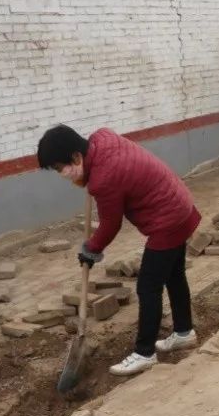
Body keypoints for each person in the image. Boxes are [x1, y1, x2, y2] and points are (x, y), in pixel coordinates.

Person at [37, 125, 202, 376]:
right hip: (178, 204)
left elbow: (111, 225)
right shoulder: (102, 139)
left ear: (76, 157)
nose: (62, 175)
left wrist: (91, 249)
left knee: (148, 286)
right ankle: (184, 332)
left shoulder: (104, 179)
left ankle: (145, 353)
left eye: (61, 168)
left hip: (167, 219)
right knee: (174, 275)